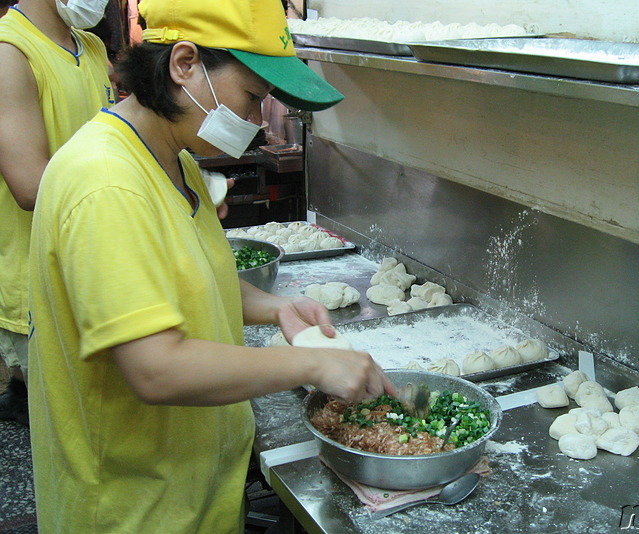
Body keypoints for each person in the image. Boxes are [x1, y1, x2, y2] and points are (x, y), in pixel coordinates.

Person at [27, 0, 394, 531]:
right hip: (134, 511)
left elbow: (190, 278)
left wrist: (276, 308)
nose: (250, 121)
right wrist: (314, 366)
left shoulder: (172, 160)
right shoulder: (106, 184)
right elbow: (156, 368)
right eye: (250, 99)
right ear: (183, 63)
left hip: (193, 496)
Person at [0, 0, 113, 426]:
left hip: (94, 267)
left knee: (107, 424)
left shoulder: (91, 46)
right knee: (68, 434)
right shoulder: (10, 53)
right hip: (41, 279)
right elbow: (30, 184)